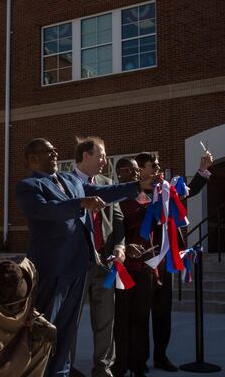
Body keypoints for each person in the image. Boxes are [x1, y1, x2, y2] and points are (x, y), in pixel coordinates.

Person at [14, 138, 152, 377]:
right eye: (48, 151)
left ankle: (61, 372)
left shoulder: (70, 180)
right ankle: (39, 371)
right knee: (47, 326)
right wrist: (80, 203)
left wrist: (137, 186)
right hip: (52, 267)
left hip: (79, 265)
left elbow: (102, 193)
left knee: (68, 328)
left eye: (55, 149)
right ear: (32, 159)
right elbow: (44, 211)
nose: (55, 153)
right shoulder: (28, 186)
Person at [112, 151, 213, 376]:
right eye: (153, 165)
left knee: (162, 313)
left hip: (163, 261)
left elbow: (189, 190)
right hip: (140, 265)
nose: (158, 169)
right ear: (140, 170)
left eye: (157, 165)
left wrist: (203, 170)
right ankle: (139, 360)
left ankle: (161, 356)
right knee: (139, 316)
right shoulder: (126, 196)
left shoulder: (163, 190)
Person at [70, 137, 125, 377]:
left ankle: (103, 369)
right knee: (70, 320)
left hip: (105, 265)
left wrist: (121, 246)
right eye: (101, 155)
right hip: (75, 267)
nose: (105, 161)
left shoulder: (107, 183)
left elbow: (119, 220)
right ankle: (65, 367)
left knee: (105, 322)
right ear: (85, 155)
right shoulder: (64, 183)